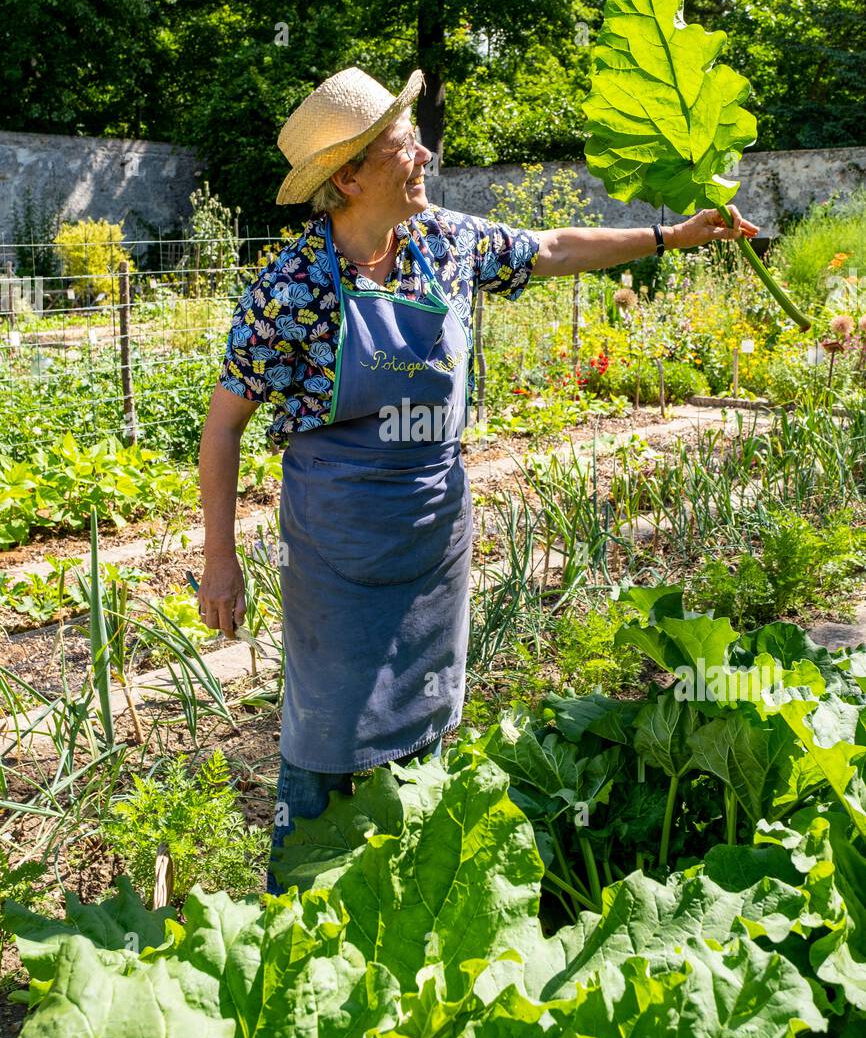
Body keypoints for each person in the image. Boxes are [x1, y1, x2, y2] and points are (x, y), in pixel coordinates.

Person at [196, 65, 759, 895]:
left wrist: (671, 237)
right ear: (347, 177)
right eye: (401, 145)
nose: (423, 154)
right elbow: (223, 426)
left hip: (432, 535)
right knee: (323, 729)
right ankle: (297, 907)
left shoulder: (446, 244)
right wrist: (219, 557)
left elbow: (553, 248)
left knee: (427, 717)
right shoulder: (292, 287)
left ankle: (418, 884)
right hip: (337, 544)